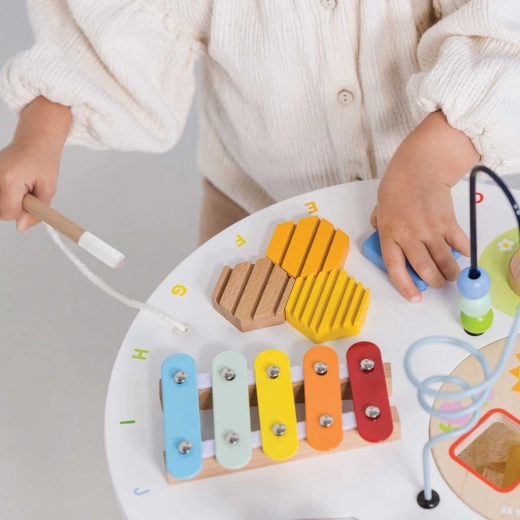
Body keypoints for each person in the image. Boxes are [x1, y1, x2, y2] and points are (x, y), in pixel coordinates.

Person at [0, 0, 518, 304]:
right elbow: (118, 26)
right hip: (257, 204)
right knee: (244, 355)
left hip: (447, 194)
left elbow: (502, 25)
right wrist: (40, 131)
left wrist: (428, 164)